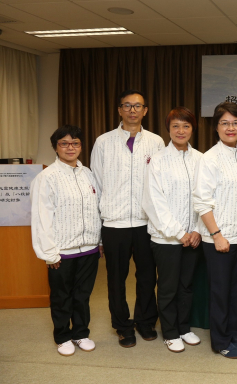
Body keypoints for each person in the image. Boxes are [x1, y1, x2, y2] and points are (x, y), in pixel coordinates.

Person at [90, 90, 165, 348]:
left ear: (145, 111)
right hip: (114, 223)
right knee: (115, 278)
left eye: (138, 106)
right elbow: (96, 185)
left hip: (146, 222)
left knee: (147, 276)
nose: (132, 110)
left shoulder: (156, 142)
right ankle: (123, 325)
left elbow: (161, 183)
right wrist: (98, 231)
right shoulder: (103, 142)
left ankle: (145, 321)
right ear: (119, 110)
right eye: (127, 106)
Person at [30, 125, 102, 356]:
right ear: (56, 147)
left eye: (75, 143)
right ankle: (62, 336)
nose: (70, 147)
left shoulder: (88, 173)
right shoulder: (47, 177)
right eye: (64, 143)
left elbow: (96, 210)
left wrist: (99, 242)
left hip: (89, 249)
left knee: (82, 295)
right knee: (62, 297)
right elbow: (41, 218)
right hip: (62, 251)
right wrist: (49, 253)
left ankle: (81, 333)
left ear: (81, 146)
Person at [193, 102, 237, 359]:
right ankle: (220, 341)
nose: (231, 128)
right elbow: (201, 202)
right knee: (220, 292)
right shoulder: (209, 158)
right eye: (225, 123)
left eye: (236, 123)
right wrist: (217, 235)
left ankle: (234, 335)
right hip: (218, 238)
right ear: (216, 127)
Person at [142, 107, 203, 353]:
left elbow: (206, 198)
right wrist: (180, 233)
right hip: (167, 238)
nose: (181, 131)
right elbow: (154, 202)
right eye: (176, 126)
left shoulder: (200, 158)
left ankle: (183, 327)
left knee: (186, 286)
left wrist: (198, 229)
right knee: (168, 287)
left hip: (194, 237)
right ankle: (169, 332)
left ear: (192, 129)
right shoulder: (157, 160)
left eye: (186, 126)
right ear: (168, 129)